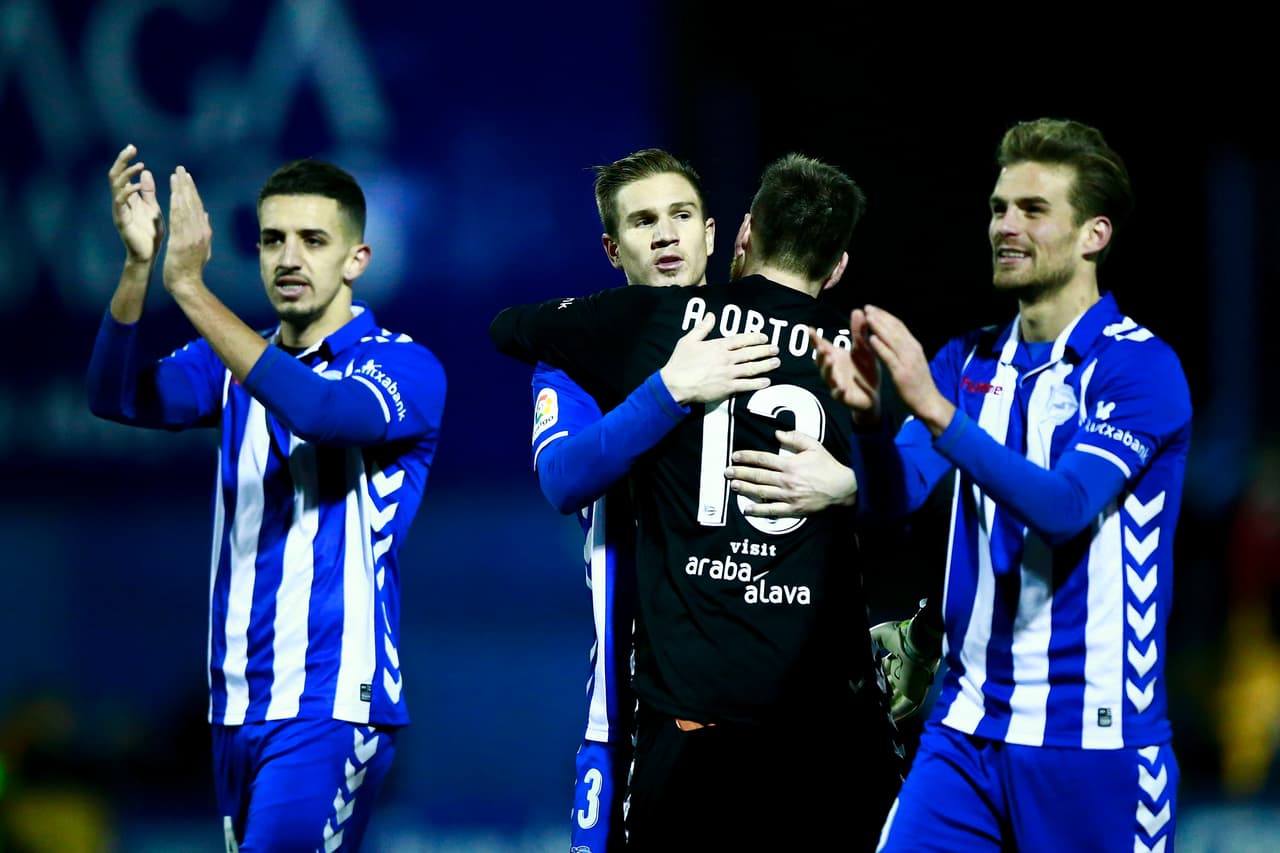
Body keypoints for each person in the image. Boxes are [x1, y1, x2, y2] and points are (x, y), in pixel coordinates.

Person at [492, 152, 904, 851]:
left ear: (721, 235)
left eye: (680, 215)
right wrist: (669, 388)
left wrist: (852, 483)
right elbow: (562, 478)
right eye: (642, 221)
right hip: (627, 703)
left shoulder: (773, 341)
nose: (665, 235)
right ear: (612, 248)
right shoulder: (581, 358)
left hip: (751, 710)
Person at [810, 117, 1191, 852]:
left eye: (1032, 209)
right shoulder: (968, 360)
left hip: (1093, 743)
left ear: (1094, 235)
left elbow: (1065, 507)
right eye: (998, 208)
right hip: (965, 731)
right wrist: (869, 422)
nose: (1005, 226)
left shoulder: (1138, 368)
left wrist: (937, 412)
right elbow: (895, 499)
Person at [88, 146, 446, 851]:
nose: (289, 257)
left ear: (357, 259)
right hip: (235, 705)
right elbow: (114, 395)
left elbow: (320, 412)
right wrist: (137, 269)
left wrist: (189, 289)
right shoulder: (230, 361)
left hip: (331, 702)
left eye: (313, 240)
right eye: (273, 239)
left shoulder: (402, 364)